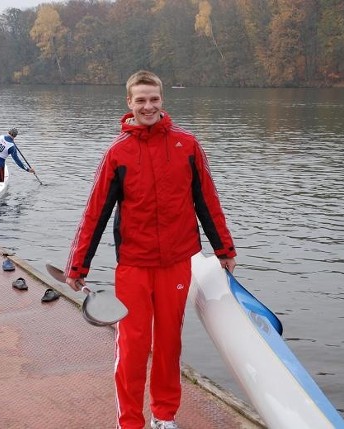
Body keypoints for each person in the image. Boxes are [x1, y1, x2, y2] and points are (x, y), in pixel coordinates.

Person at [63, 70, 236, 429]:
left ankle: (164, 416)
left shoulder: (186, 145)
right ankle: (129, 422)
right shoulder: (117, 153)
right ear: (129, 103)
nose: (148, 106)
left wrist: (224, 249)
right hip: (134, 267)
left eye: (153, 99)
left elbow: (207, 201)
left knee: (170, 345)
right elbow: (95, 212)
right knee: (132, 348)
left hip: (176, 263)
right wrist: (78, 265)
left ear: (162, 100)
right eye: (140, 100)